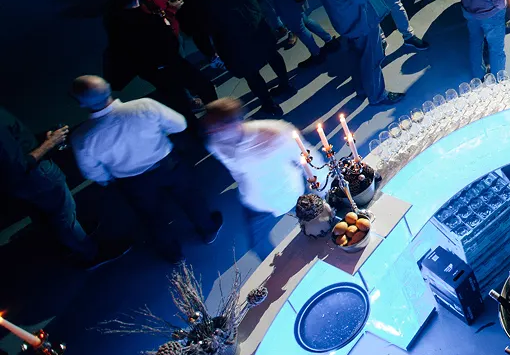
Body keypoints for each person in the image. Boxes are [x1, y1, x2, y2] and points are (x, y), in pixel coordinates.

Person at [70, 76, 221, 263]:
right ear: (108, 88)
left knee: (151, 216)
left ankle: (173, 254)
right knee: (190, 197)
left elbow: (91, 171)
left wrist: (107, 179)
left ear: (80, 103)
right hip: (168, 165)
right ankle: (208, 230)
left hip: (132, 181)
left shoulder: (81, 136)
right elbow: (180, 124)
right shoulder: (144, 106)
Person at [2, 107, 123, 268]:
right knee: (63, 213)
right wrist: (51, 142)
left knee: (45, 214)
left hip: (17, 183)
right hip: (35, 176)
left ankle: (69, 241)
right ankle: (90, 254)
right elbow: (18, 166)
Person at [190, 0, 295, 116]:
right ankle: (286, 85)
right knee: (273, 56)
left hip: (233, 41)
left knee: (251, 74)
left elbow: (206, 25)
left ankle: (270, 105)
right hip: (257, 26)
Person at [203, 97, 309, 258]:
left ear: (236, 123)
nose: (214, 134)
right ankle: (279, 268)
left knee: (317, 220)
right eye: (211, 129)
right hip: (256, 203)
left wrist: (323, 187)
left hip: (289, 192)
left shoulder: (274, 132)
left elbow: (307, 156)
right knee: (258, 244)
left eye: (218, 128)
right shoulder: (214, 144)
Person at [103, 0, 219, 109]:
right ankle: (217, 114)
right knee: (205, 87)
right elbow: (172, 44)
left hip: (149, 71)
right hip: (170, 63)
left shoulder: (115, 24)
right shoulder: (149, 18)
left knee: (177, 100)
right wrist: (167, 20)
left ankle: (189, 119)